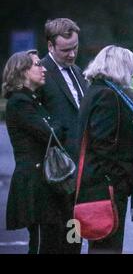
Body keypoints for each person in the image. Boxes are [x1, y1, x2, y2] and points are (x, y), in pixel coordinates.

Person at [76, 45, 133, 254]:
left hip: (101, 182)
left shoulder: (96, 90)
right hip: (107, 185)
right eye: (129, 66)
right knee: (107, 243)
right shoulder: (107, 95)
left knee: (103, 241)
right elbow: (102, 143)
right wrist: (123, 176)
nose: (131, 72)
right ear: (120, 67)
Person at [2, 50, 67, 253]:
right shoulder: (20, 102)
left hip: (43, 181)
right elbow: (51, 134)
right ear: (22, 71)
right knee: (40, 244)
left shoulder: (32, 100)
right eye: (37, 64)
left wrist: (56, 127)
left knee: (50, 242)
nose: (43, 68)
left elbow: (52, 130)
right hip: (34, 183)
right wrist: (58, 126)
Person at [38, 17, 87, 253]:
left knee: (74, 235)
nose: (72, 54)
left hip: (80, 167)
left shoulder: (78, 71)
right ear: (50, 46)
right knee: (54, 239)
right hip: (56, 171)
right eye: (65, 50)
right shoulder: (40, 73)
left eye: (75, 47)